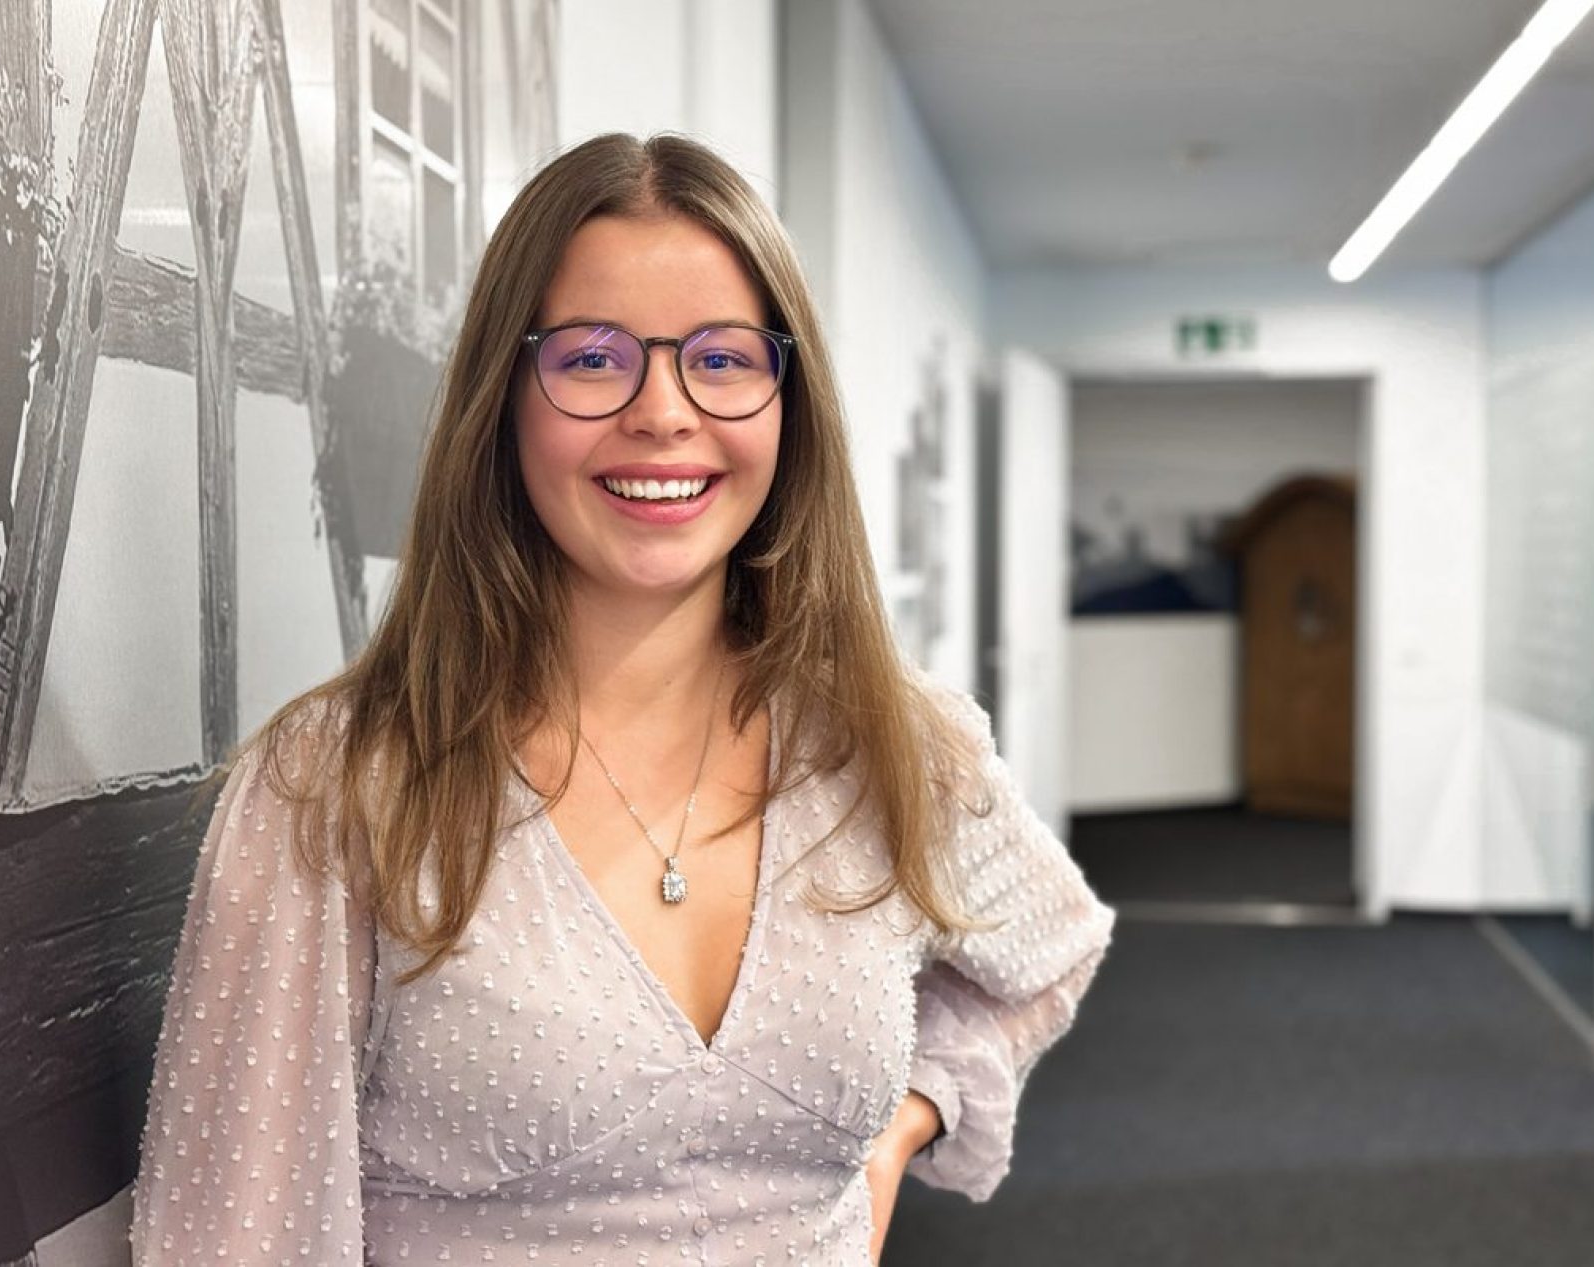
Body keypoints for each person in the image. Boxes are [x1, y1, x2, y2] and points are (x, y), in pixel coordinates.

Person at [130, 132, 1114, 1266]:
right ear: (505, 399)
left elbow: (1051, 948)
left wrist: (904, 1122)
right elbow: (235, 1239)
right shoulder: (337, 787)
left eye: (724, 358)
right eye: (593, 359)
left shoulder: (894, 739)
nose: (662, 412)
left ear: (788, 406)